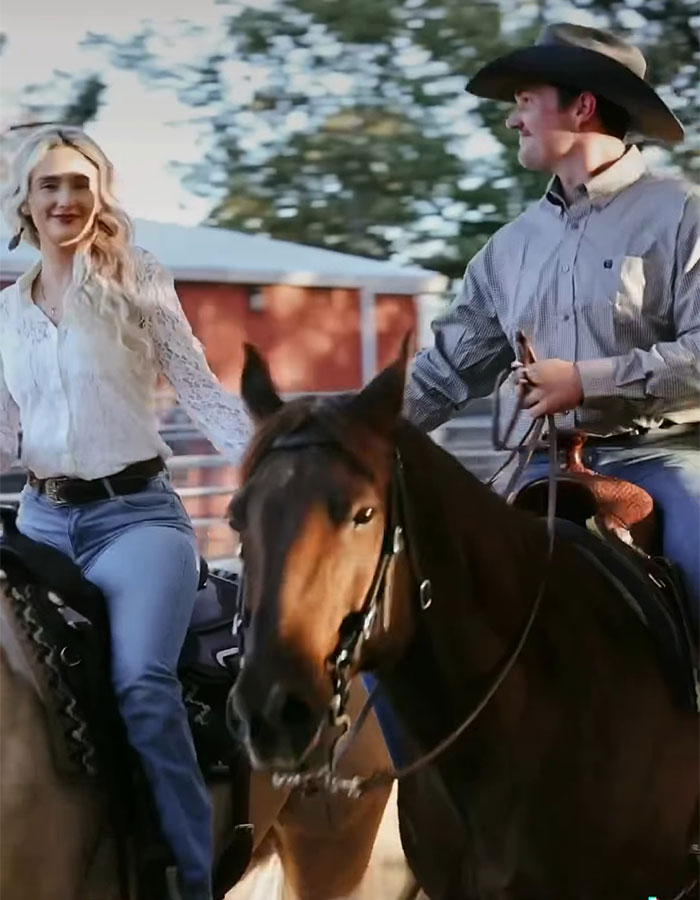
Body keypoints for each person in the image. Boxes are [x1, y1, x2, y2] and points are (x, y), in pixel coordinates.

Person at [0, 125, 252, 900]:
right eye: (50, 186)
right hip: (40, 521)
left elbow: (201, 385)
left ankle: (189, 876)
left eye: (81, 184)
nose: (66, 199)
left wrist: (268, 468)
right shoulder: (10, 307)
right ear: (26, 201)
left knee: (141, 683)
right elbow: (10, 426)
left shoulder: (136, 277)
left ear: (99, 195)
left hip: (133, 521)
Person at [404, 23, 699, 618]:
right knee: (413, 608)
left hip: (662, 459)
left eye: (524, 101)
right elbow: (443, 374)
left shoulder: (683, 215)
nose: (513, 119)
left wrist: (586, 379)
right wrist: (340, 426)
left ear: (583, 105)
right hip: (531, 467)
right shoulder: (508, 248)